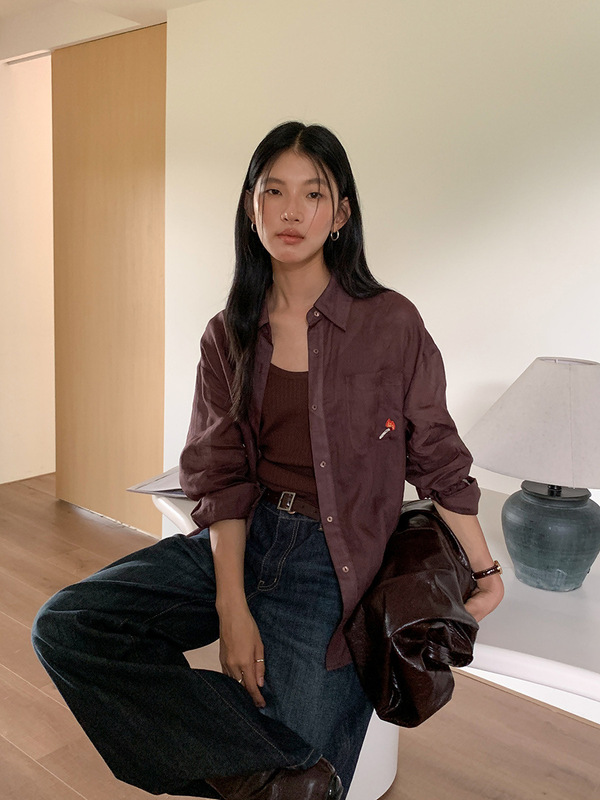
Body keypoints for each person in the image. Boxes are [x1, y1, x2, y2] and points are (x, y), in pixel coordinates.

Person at [32, 121, 504, 800]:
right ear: (250, 208)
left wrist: (484, 570)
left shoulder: (391, 323)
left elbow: (437, 457)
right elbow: (221, 476)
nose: (291, 211)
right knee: (71, 626)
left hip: (332, 561)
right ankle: (269, 769)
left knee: (299, 772)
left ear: (340, 215)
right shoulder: (228, 333)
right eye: (273, 191)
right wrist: (233, 608)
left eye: (313, 194)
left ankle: (272, 770)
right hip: (245, 536)